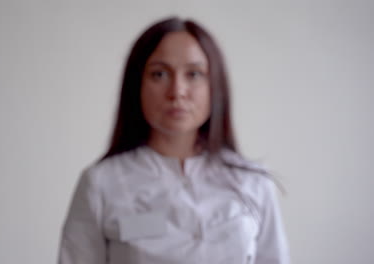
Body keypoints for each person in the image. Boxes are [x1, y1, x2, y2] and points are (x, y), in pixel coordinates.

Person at [58, 16, 290, 264]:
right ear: (137, 84)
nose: (177, 90)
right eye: (159, 74)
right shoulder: (101, 184)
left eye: (194, 74)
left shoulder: (254, 183)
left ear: (215, 85)